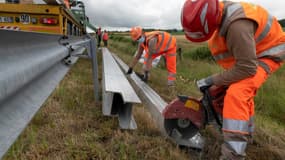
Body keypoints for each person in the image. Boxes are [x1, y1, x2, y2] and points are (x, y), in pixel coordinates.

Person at [181, 0, 285, 159]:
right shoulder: (219, 18)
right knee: (230, 91)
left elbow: (247, 68)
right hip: (250, 57)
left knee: (237, 93)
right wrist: (216, 84)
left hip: (267, 54)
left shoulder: (237, 25)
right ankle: (245, 136)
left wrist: (211, 80)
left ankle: (233, 155)